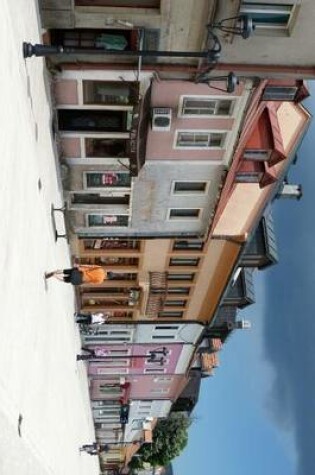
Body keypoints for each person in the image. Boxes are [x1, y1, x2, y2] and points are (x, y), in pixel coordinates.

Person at [45, 264, 112, 285]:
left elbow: (89, 266)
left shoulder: (100, 268)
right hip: (80, 279)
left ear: (107, 272)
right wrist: (82, 281)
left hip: (80, 271)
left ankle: (53, 272)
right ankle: (54, 276)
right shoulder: (100, 281)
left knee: (64, 271)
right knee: (65, 280)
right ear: (107, 278)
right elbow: (89, 282)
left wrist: (79, 265)